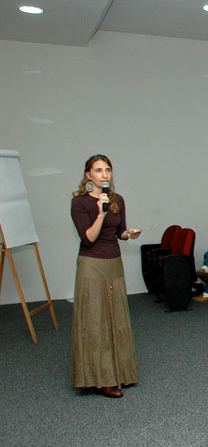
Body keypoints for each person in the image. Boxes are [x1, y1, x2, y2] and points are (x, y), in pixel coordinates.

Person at [70, 154, 141, 398]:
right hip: (91, 264)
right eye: (98, 170)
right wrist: (100, 213)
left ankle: (120, 372)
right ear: (88, 175)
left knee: (117, 317)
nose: (104, 174)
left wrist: (128, 234)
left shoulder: (117, 199)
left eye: (108, 170)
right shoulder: (79, 203)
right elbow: (88, 238)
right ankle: (99, 378)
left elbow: (119, 231)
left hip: (114, 262)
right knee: (95, 320)